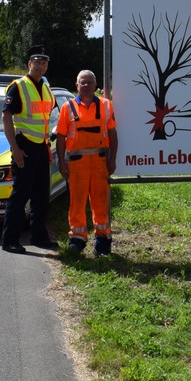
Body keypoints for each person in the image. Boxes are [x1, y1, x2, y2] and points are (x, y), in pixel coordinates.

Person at [1, 45, 58, 253]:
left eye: (44, 63)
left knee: (41, 196)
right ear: (29, 64)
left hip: (42, 147)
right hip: (24, 147)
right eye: (37, 62)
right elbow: (6, 118)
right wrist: (14, 149)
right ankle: (10, 241)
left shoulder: (46, 86)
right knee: (20, 195)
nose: (40, 66)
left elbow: (46, 118)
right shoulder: (18, 86)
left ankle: (39, 237)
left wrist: (47, 146)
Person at [55, 70, 118, 256]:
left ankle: (103, 242)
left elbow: (113, 134)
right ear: (77, 85)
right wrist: (61, 163)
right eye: (83, 82)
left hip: (100, 162)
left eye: (90, 82)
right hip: (76, 164)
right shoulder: (68, 107)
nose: (87, 85)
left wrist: (112, 159)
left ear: (95, 85)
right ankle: (77, 239)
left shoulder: (106, 105)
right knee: (77, 203)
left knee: (100, 202)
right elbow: (60, 137)